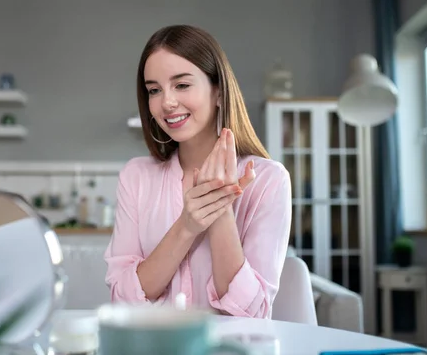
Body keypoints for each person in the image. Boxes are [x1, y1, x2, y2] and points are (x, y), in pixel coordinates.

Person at [104, 25, 292, 318]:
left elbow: (252, 314)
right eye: (154, 90)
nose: (166, 102)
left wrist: (220, 211)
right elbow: (122, 301)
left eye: (182, 85)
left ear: (218, 92)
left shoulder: (268, 180)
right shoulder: (136, 177)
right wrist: (187, 226)